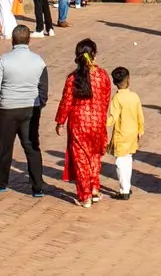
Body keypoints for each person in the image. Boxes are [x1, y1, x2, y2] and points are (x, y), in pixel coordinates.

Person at [0, 24, 49, 194]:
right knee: (32, 147)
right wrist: (39, 105)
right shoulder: (39, 61)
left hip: (8, 110)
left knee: (5, 148)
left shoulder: (4, 60)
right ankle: (38, 187)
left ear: (13, 40)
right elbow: (44, 88)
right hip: (31, 109)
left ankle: (0, 183)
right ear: (29, 40)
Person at [54, 38, 113, 208]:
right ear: (94, 54)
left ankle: (85, 196)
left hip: (79, 124)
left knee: (81, 161)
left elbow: (66, 101)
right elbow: (106, 99)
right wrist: (100, 117)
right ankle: (94, 188)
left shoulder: (73, 78)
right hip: (97, 122)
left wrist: (60, 121)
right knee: (94, 157)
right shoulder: (102, 75)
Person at [107, 66, 143, 199]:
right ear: (128, 80)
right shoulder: (134, 96)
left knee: (120, 162)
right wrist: (140, 130)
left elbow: (113, 118)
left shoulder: (117, 98)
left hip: (121, 134)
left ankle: (124, 190)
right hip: (133, 133)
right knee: (128, 160)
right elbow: (140, 115)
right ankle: (127, 186)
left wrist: (101, 122)